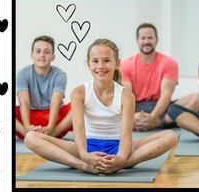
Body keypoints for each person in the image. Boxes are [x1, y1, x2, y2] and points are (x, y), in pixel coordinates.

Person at [24, 38, 178, 175]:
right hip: (85, 147)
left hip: (119, 148)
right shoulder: (79, 92)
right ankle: (83, 166)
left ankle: (119, 164)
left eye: (106, 60)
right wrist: (84, 155)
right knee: (30, 137)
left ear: (117, 64)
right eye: (95, 61)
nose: (100, 66)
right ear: (88, 64)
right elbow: (79, 129)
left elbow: (126, 134)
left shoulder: (126, 95)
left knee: (170, 136)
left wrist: (121, 157)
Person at [120, 23, 199, 131]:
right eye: (143, 38)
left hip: (161, 108)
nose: (146, 42)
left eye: (150, 38)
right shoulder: (126, 65)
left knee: (196, 99)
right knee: (112, 104)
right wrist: (133, 116)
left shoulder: (169, 63)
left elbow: (166, 95)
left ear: (156, 40)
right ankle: (137, 122)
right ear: (137, 41)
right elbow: (127, 96)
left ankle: (155, 123)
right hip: (136, 106)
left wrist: (153, 118)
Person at [16, 35, 72, 139]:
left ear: (53, 56)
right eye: (38, 51)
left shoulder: (60, 75)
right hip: (29, 116)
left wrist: (50, 127)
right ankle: (29, 135)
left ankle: (51, 135)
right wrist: (27, 126)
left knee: (80, 105)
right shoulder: (22, 74)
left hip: (54, 118)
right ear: (32, 55)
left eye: (47, 52)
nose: (42, 55)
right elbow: (24, 102)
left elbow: (55, 102)